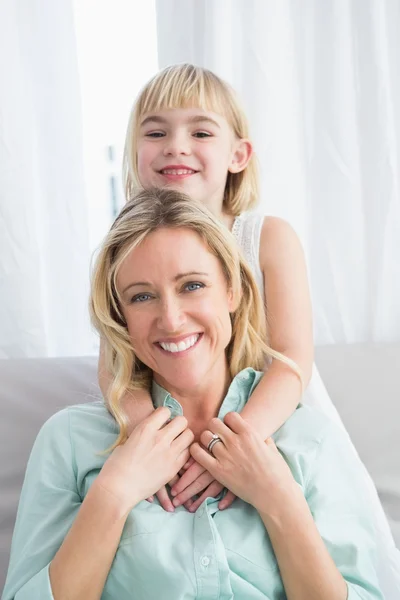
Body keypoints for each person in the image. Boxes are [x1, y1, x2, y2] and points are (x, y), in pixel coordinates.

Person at [98, 65, 399, 596]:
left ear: (239, 155)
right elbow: (117, 375)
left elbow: (290, 361)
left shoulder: (265, 237)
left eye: (201, 132)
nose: (176, 146)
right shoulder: (127, 249)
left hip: (268, 419)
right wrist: (159, 447)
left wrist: (229, 445)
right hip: (177, 429)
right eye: (155, 131)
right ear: (134, 152)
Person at [3, 188, 384, 599]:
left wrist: (280, 500)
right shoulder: (69, 442)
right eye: (142, 296)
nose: (171, 319)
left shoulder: (310, 439)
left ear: (232, 291)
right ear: (120, 317)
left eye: (192, 285)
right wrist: (113, 494)